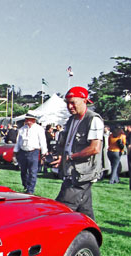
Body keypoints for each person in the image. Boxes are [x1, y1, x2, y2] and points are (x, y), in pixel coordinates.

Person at [53, 87, 103, 220]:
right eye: (67, 103)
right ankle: (90, 238)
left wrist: (71, 157)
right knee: (85, 212)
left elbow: (95, 148)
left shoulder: (93, 119)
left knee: (62, 208)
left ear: (84, 101)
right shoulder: (72, 120)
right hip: (72, 171)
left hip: (82, 173)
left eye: (73, 102)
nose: (69, 106)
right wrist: (61, 157)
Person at [13, 112, 47, 194]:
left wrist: (44, 153)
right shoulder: (22, 129)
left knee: (32, 171)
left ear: (34, 120)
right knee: (23, 171)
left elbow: (42, 141)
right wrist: (15, 152)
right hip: (23, 151)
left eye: (30, 120)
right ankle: (25, 185)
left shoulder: (39, 129)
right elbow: (18, 141)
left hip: (33, 152)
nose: (28, 121)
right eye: (27, 120)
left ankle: (30, 190)